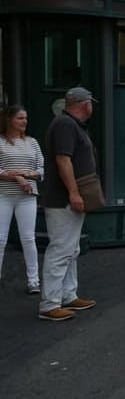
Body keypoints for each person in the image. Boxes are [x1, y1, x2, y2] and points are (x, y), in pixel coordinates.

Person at [38, 87, 99, 322]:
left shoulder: (69, 124)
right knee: (61, 248)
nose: (91, 107)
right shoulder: (65, 125)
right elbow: (63, 160)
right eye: (91, 103)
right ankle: (50, 303)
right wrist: (74, 193)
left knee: (70, 249)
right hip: (63, 199)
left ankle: (67, 294)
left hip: (67, 198)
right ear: (85, 104)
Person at [0, 105, 44, 294]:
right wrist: (17, 178)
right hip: (4, 195)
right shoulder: (0, 142)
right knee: (0, 239)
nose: (24, 121)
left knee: (28, 238)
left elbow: (41, 170)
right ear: (9, 120)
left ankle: (33, 281)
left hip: (27, 197)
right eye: (20, 118)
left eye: (25, 118)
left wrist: (25, 174)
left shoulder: (33, 142)